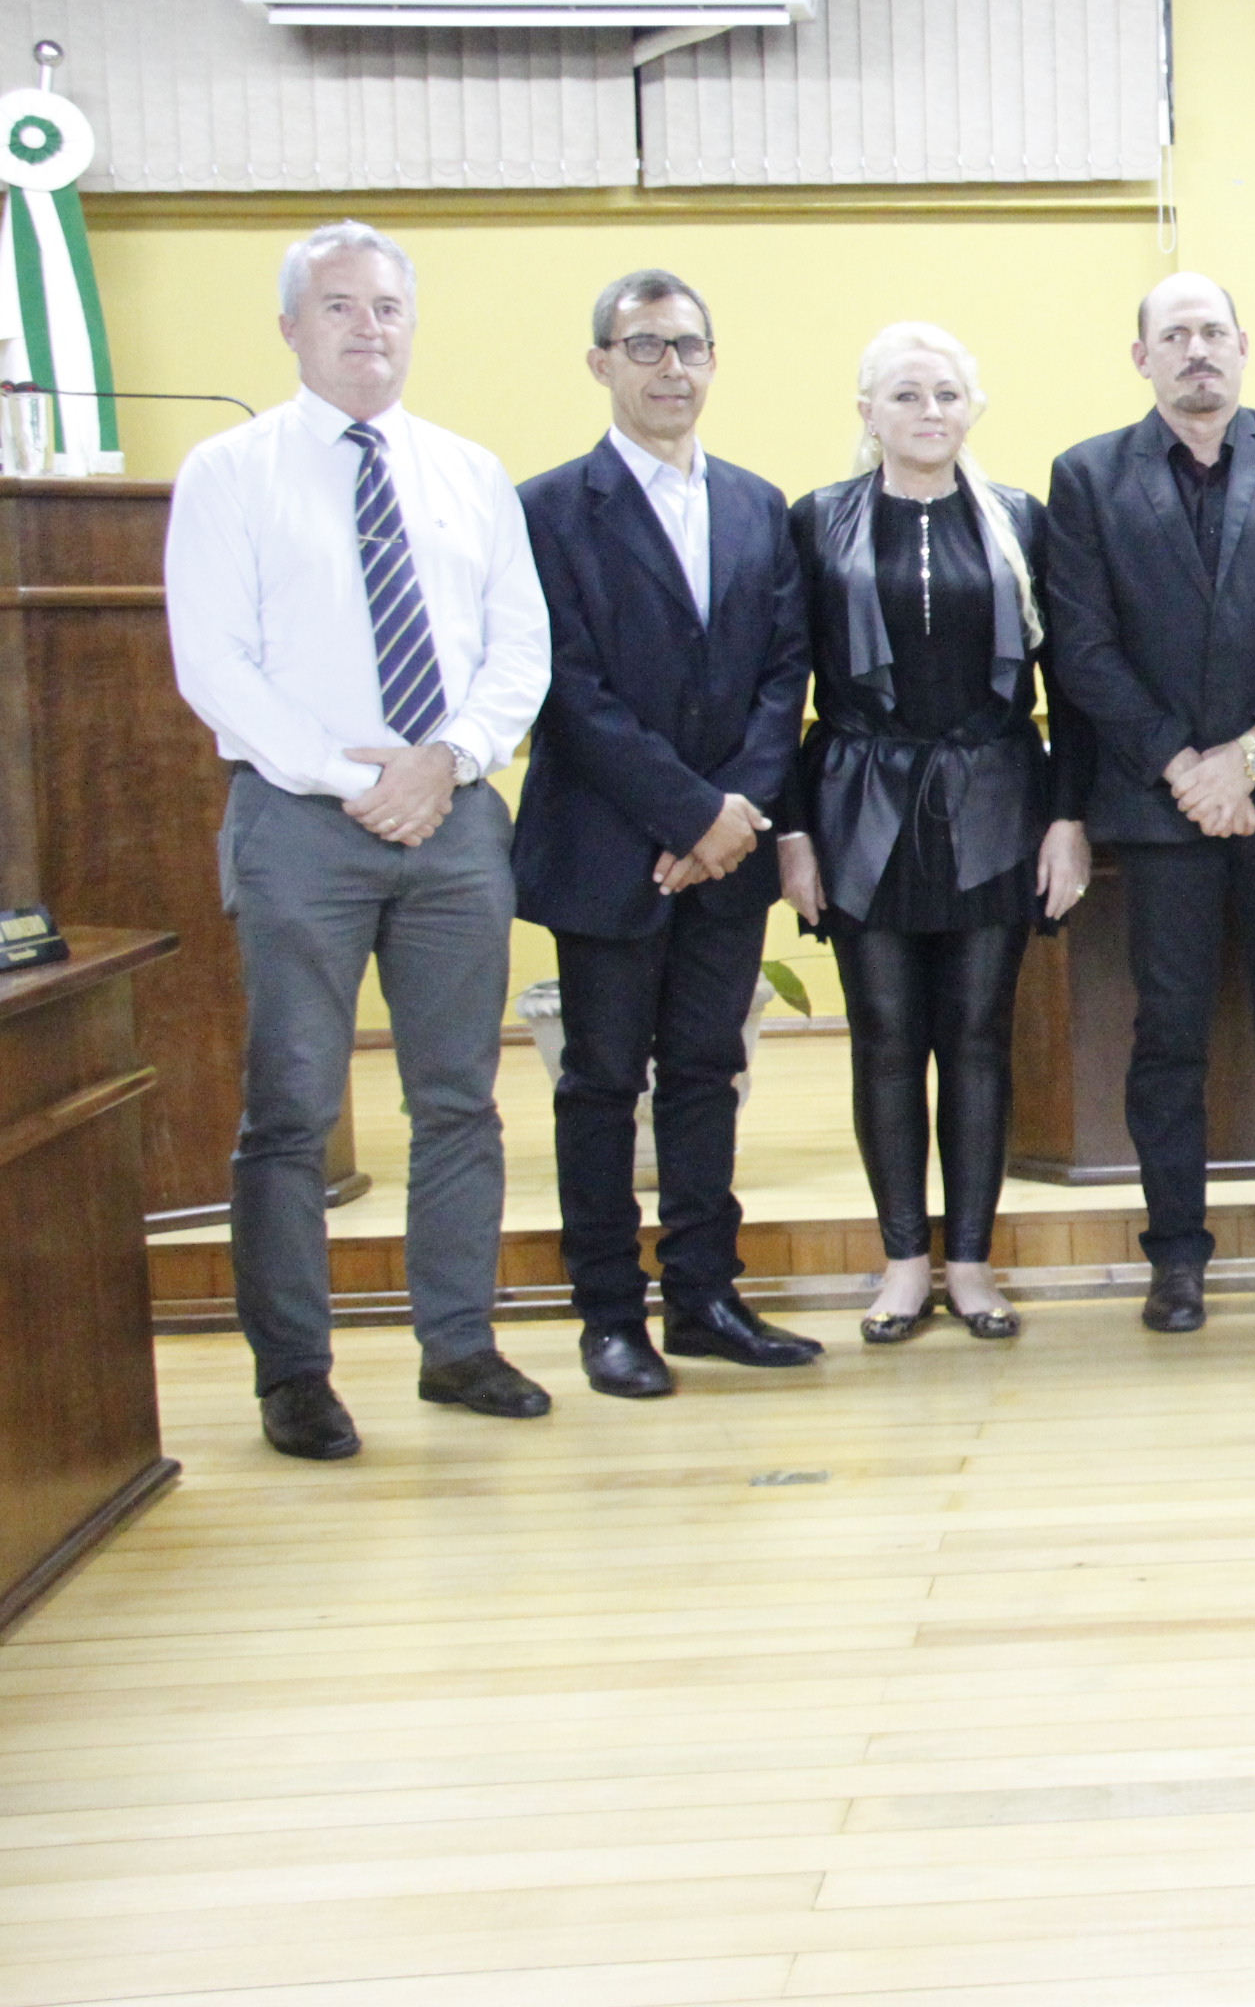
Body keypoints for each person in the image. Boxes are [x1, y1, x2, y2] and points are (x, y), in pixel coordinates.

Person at [165, 220, 554, 1458]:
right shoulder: (228, 471)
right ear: (291, 328)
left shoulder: (467, 471)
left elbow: (519, 649)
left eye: (385, 307)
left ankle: (459, 1343)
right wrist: (351, 779)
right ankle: (294, 1372)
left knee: (458, 1098)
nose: (366, 329)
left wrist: (446, 762)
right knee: (289, 1105)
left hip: (452, 819)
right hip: (300, 824)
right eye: (338, 307)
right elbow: (213, 662)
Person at [511, 269, 823, 1400]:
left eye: (688, 346)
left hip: (728, 854)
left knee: (704, 1071)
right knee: (600, 1083)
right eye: (644, 347)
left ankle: (704, 1295)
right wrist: (694, 815)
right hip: (610, 849)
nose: (670, 369)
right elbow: (570, 690)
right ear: (600, 363)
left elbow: (784, 671)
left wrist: (734, 816)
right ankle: (609, 1314)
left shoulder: (755, 503)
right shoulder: (546, 507)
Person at [1043, 273, 1255, 1334]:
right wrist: (1184, 764)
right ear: (1142, 357)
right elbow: (1079, 645)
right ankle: (1175, 1255)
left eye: (1212, 331)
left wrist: (1253, 756)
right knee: (1167, 1035)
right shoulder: (1087, 477)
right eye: (1172, 335)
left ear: (1243, 345)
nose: (1196, 351)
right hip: (1156, 803)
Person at [777, 323, 1093, 1344]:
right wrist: (791, 829)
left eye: (947, 395)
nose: (929, 414)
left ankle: (971, 1264)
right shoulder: (816, 521)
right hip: (860, 801)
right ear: (866, 412)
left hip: (996, 797)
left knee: (976, 1037)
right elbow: (781, 684)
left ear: (974, 410)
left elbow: (1071, 685)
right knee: (882, 1037)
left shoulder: (1019, 520)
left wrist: (1068, 816)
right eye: (906, 396)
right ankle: (902, 1263)